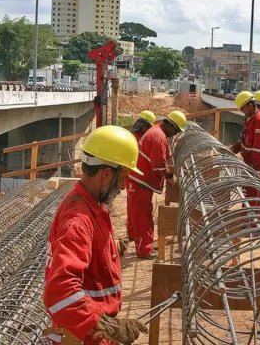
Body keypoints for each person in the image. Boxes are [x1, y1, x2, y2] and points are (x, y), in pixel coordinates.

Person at [43, 125, 148, 345]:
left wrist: (110, 247)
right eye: (123, 177)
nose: (122, 186)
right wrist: (104, 324)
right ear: (107, 173)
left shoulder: (92, 206)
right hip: (83, 336)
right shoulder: (78, 221)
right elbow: (60, 291)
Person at [127, 110, 187, 259]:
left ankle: (143, 244)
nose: (175, 134)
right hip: (140, 183)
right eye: (176, 130)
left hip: (140, 181)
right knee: (143, 217)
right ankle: (144, 250)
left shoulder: (156, 132)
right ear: (171, 125)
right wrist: (170, 176)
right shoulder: (159, 136)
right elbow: (159, 165)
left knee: (142, 214)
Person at [231, 91, 260, 204]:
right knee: (248, 193)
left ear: (250, 105)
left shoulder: (259, 120)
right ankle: (248, 217)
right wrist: (233, 148)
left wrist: (251, 166)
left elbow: (258, 148)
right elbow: (244, 139)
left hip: (258, 165)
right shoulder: (250, 119)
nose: (241, 111)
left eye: (242, 108)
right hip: (251, 163)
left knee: (255, 195)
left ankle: (255, 220)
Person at [125, 110, 156, 241]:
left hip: (130, 178)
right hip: (138, 179)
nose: (149, 130)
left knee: (132, 207)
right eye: (148, 127)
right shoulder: (139, 140)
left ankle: (132, 233)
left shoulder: (132, 136)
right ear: (143, 125)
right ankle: (144, 247)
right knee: (141, 213)